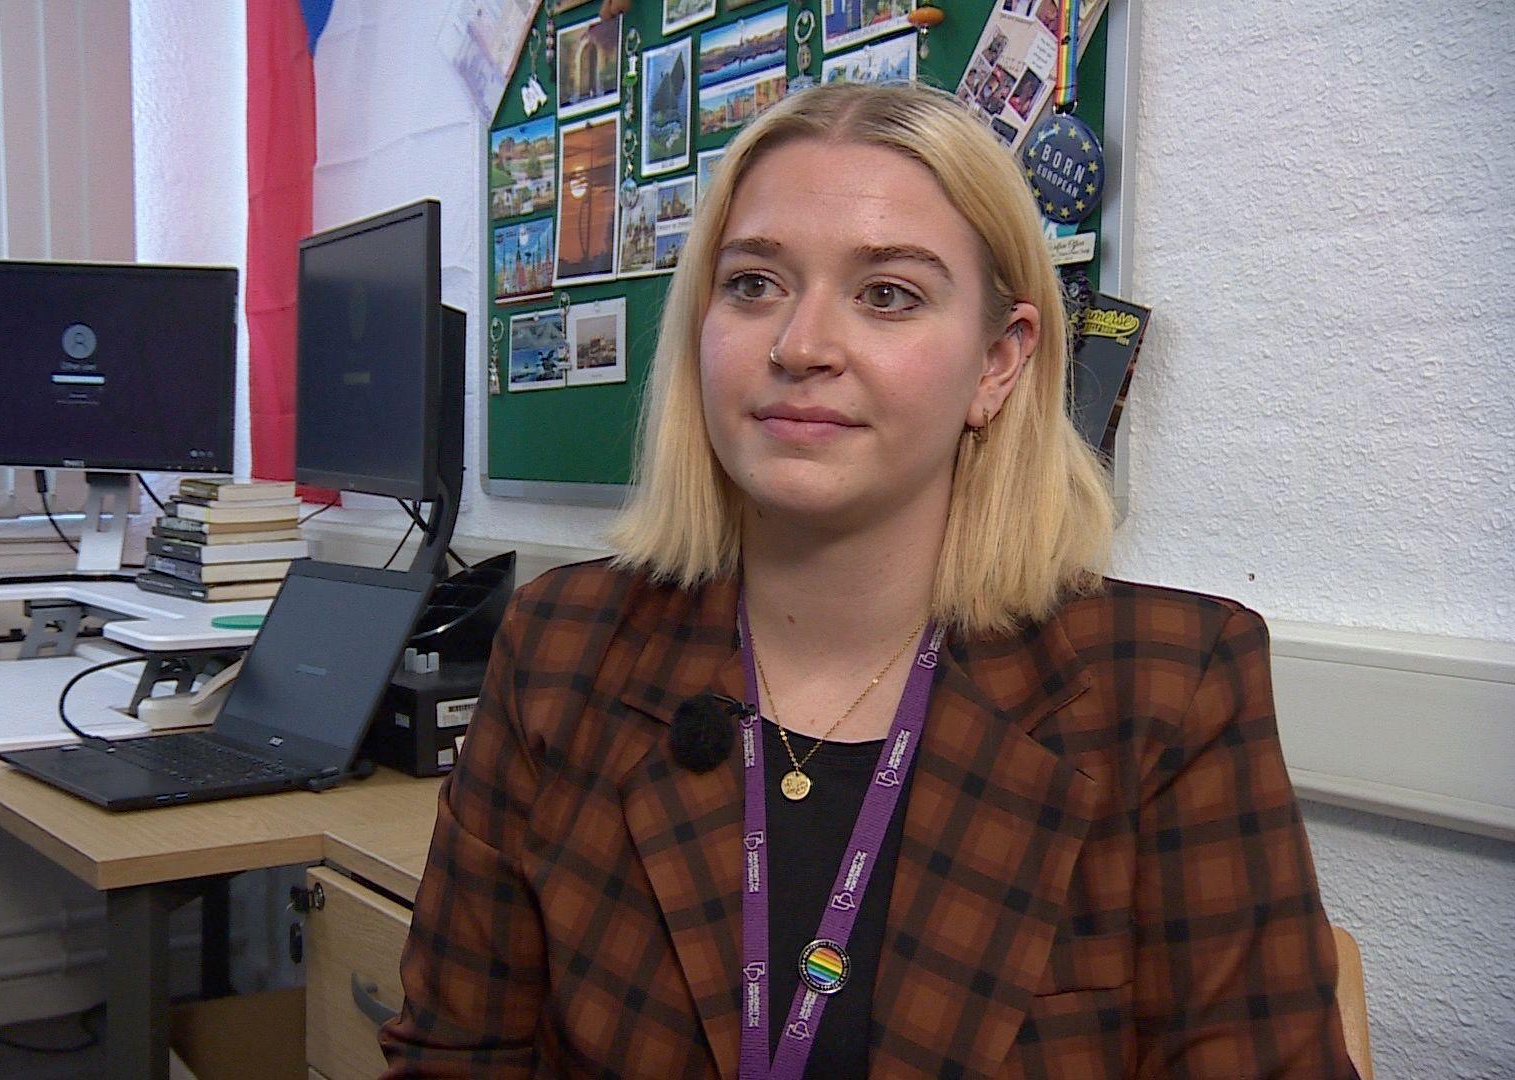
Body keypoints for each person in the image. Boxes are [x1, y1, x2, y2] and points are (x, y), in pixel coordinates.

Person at [380, 83, 1357, 1078]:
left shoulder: (1167, 689)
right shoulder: (561, 648)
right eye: (754, 284)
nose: (800, 346)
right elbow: (455, 1058)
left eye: (888, 294)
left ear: (999, 363)